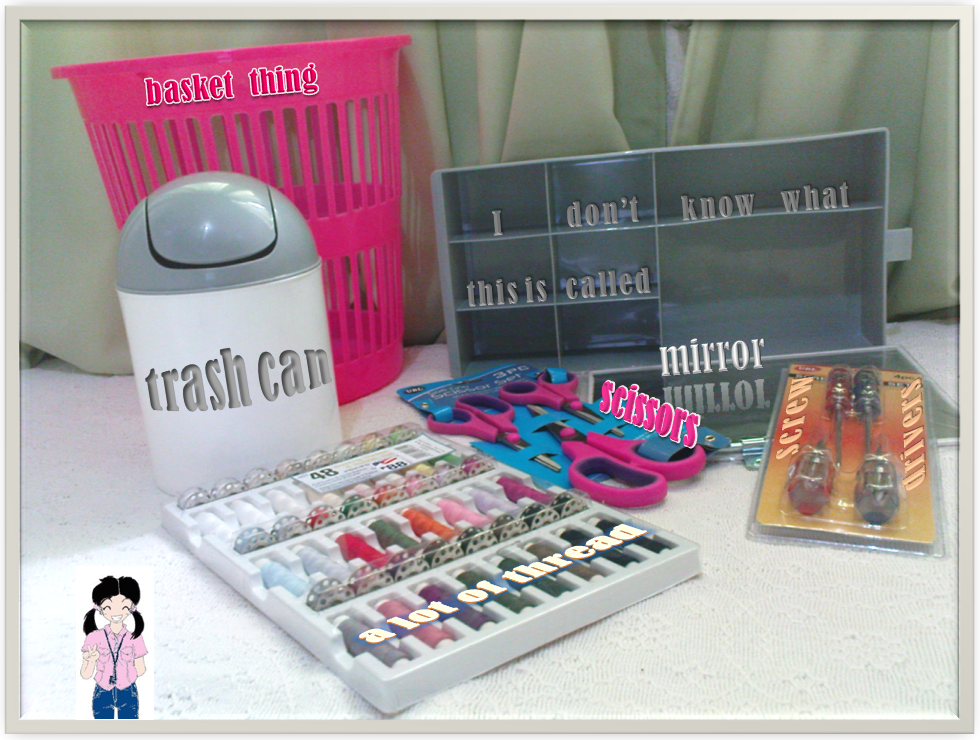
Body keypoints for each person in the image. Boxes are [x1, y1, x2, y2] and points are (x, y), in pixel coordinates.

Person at [79, 576, 147, 719]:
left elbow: (141, 669)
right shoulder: (93, 637)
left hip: (128, 691)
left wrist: (126, 676)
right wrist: (90, 660)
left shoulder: (135, 638)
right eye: (108, 607)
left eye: (123, 607)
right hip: (102, 691)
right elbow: (85, 674)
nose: (116, 613)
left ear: (131, 608)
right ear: (100, 609)